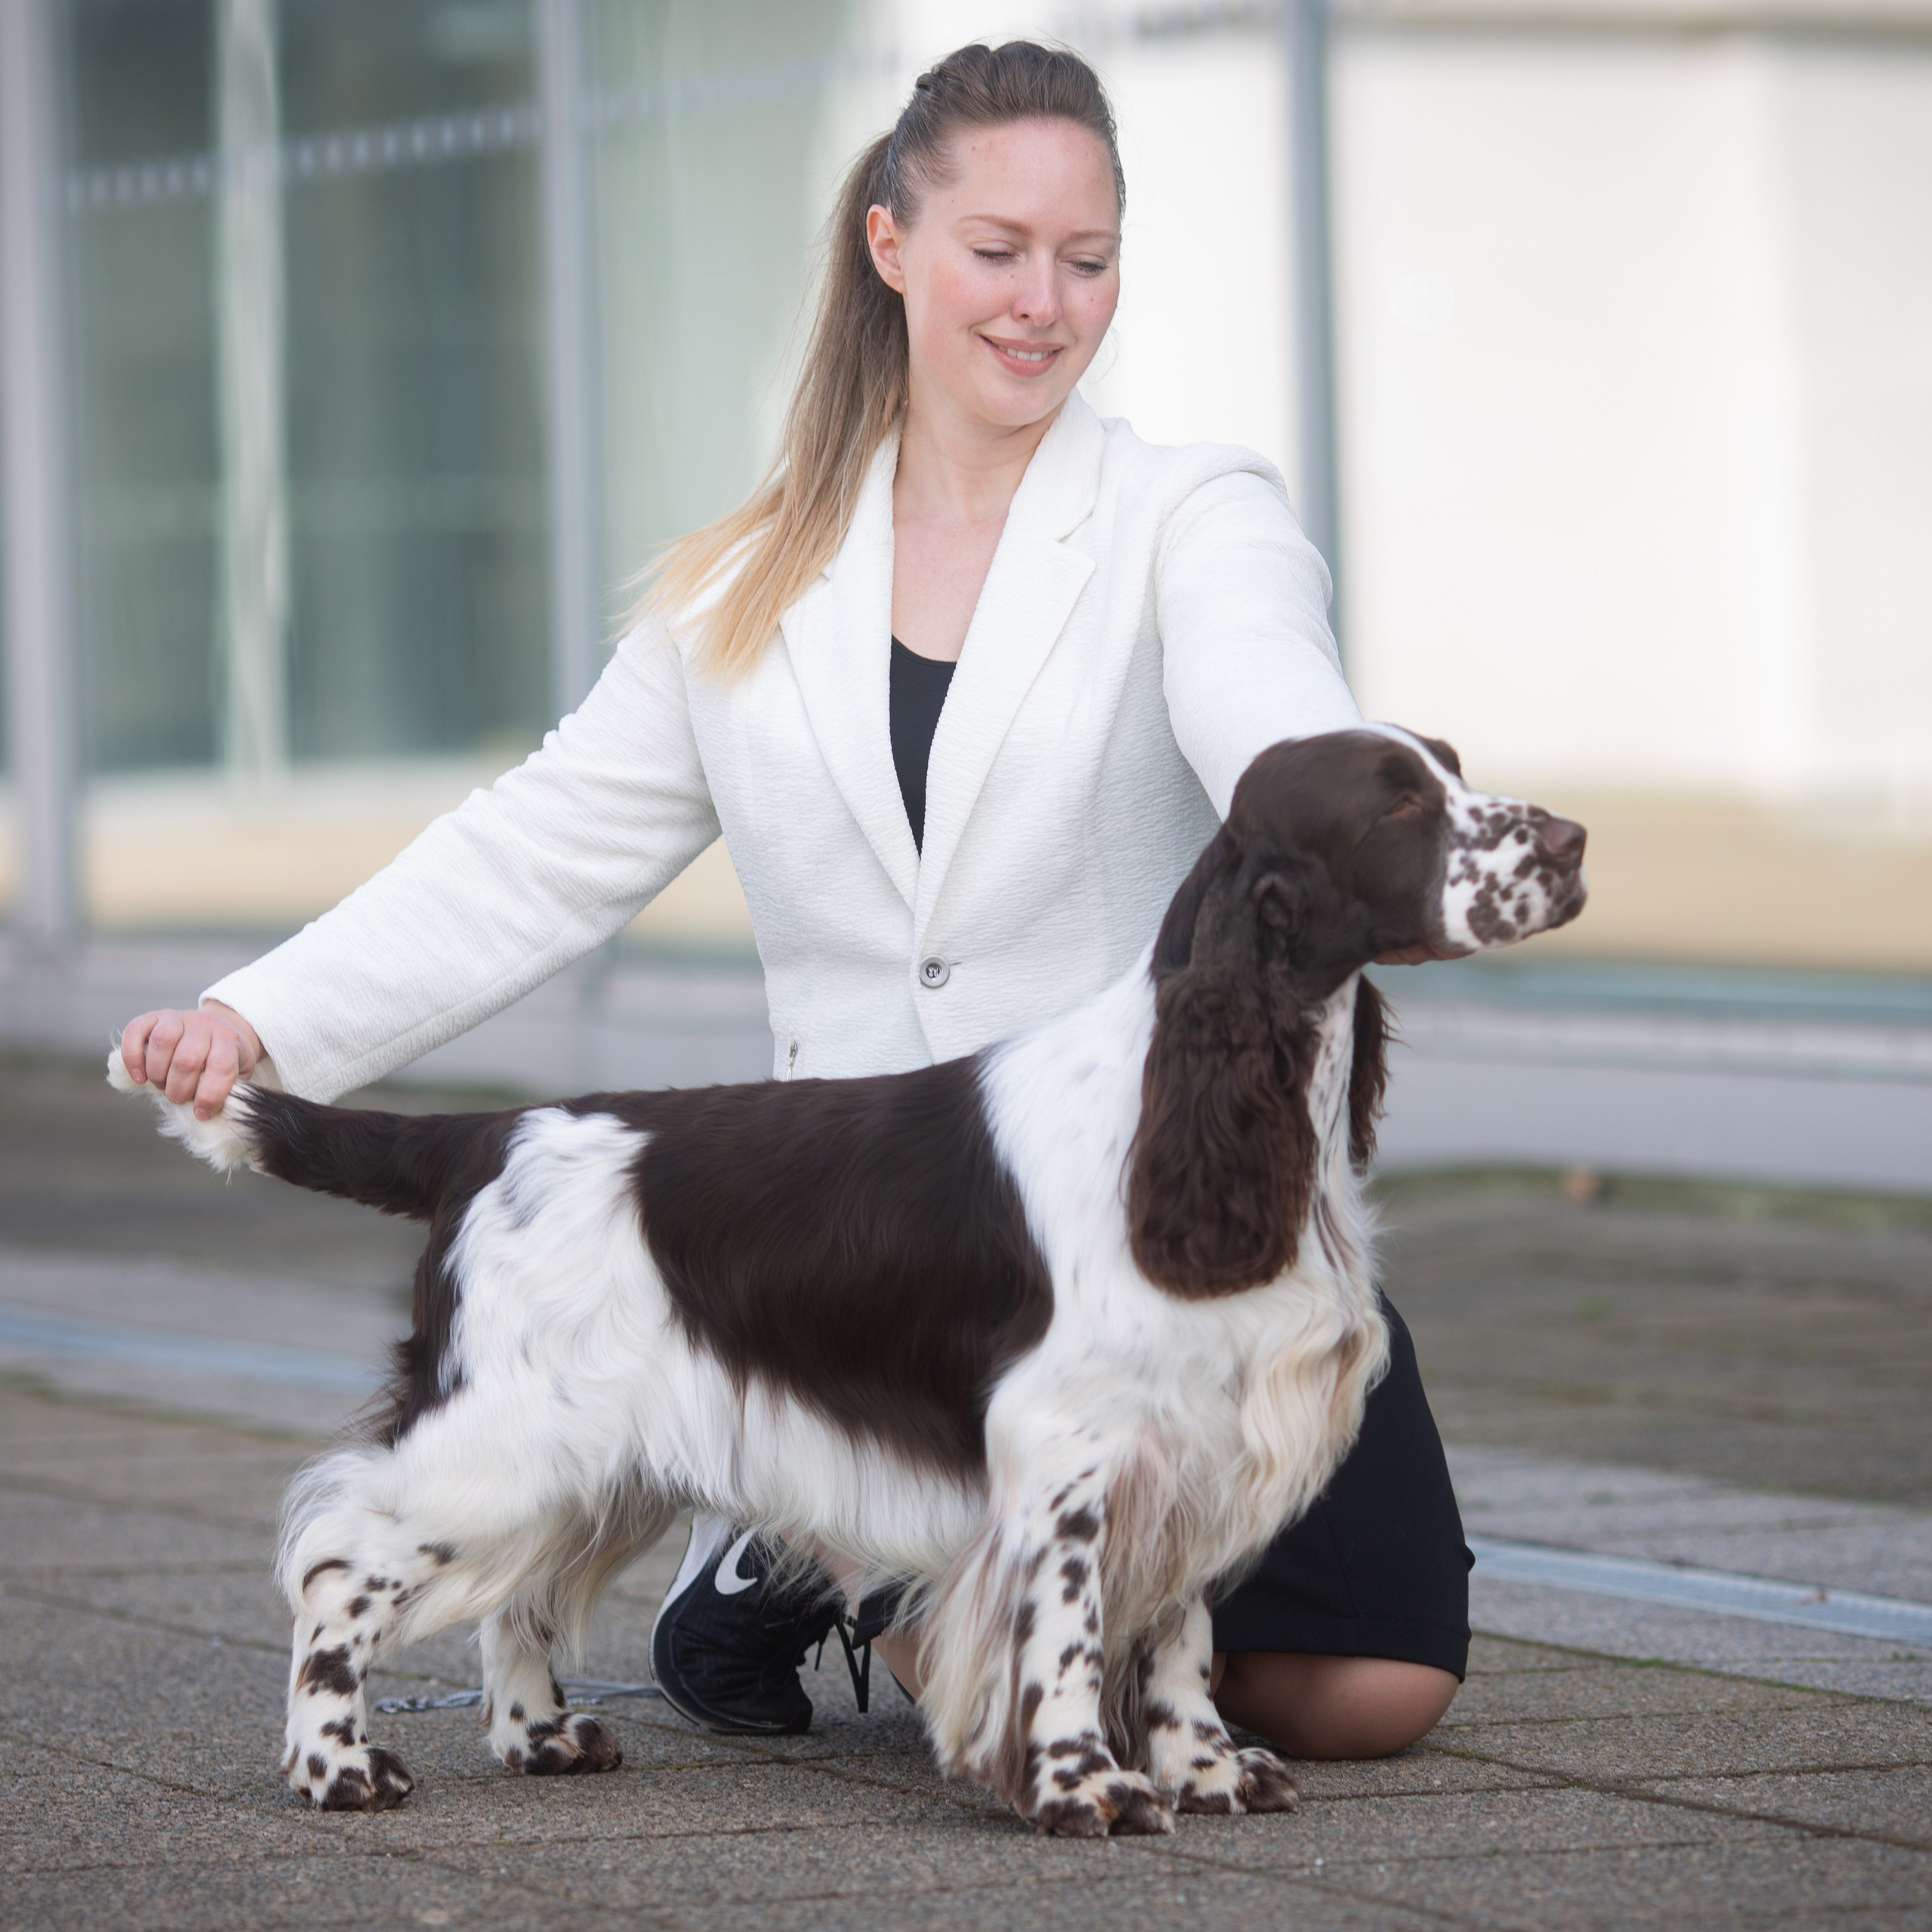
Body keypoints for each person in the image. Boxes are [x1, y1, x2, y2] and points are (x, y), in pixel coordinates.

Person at [120, 42, 1468, 1762]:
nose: (1043, 303)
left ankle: (784, 1543)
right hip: (874, 1268)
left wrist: (1329, 795)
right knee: (1008, 1693)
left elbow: (1259, 686)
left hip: (1174, 1215)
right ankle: (795, 1519)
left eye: (1086, 255)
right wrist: (263, 1021)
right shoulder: (746, 579)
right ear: (890, 244)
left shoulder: (1190, 517)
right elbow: (535, 848)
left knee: (1370, 1692)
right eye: (998, 248)